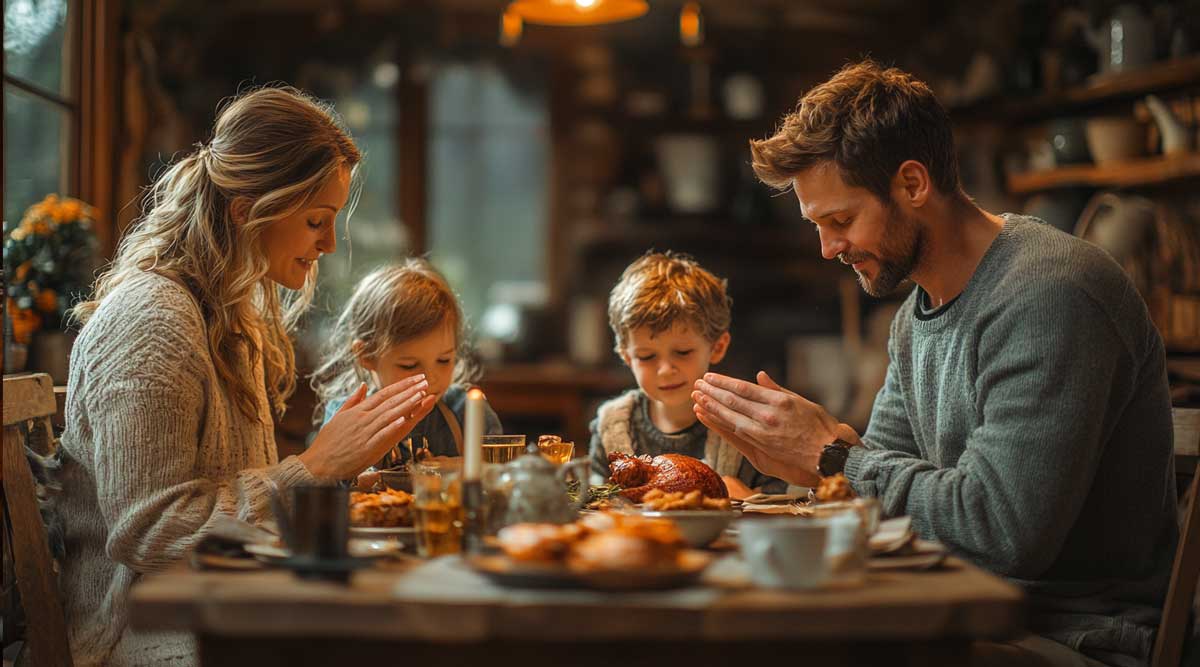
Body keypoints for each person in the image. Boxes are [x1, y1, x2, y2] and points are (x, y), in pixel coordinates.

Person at [692, 60, 1176, 667]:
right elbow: (885, 493)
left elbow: (999, 533)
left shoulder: (1052, 295)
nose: (828, 248)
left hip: (1069, 636)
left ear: (913, 184)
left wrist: (833, 458)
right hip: (957, 611)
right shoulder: (915, 319)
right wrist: (806, 471)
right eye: (818, 226)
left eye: (840, 220)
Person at [56, 87, 438, 667]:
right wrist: (312, 469)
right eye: (316, 220)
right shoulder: (152, 321)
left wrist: (349, 474)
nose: (329, 244)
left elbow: (237, 502)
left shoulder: (230, 314)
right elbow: (150, 534)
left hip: (227, 602)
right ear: (246, 210)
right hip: (145, 635)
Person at [589, 251, 785, 499]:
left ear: (717, 347)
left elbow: (783, 506)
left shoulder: (743, 425)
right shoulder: (612, 425)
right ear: (626, 356)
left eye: (682, 352)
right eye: (646, 357)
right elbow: (594, 502)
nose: (665, 369)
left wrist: (748, 498)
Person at [312, 259, 502, 479]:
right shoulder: (346, 417)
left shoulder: (467, 413)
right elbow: (321, 487)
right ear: (366, 356)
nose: (430, 379)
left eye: (444, 360)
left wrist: (464, 467)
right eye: (409, 365)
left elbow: (500, 476)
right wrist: (356, 481)